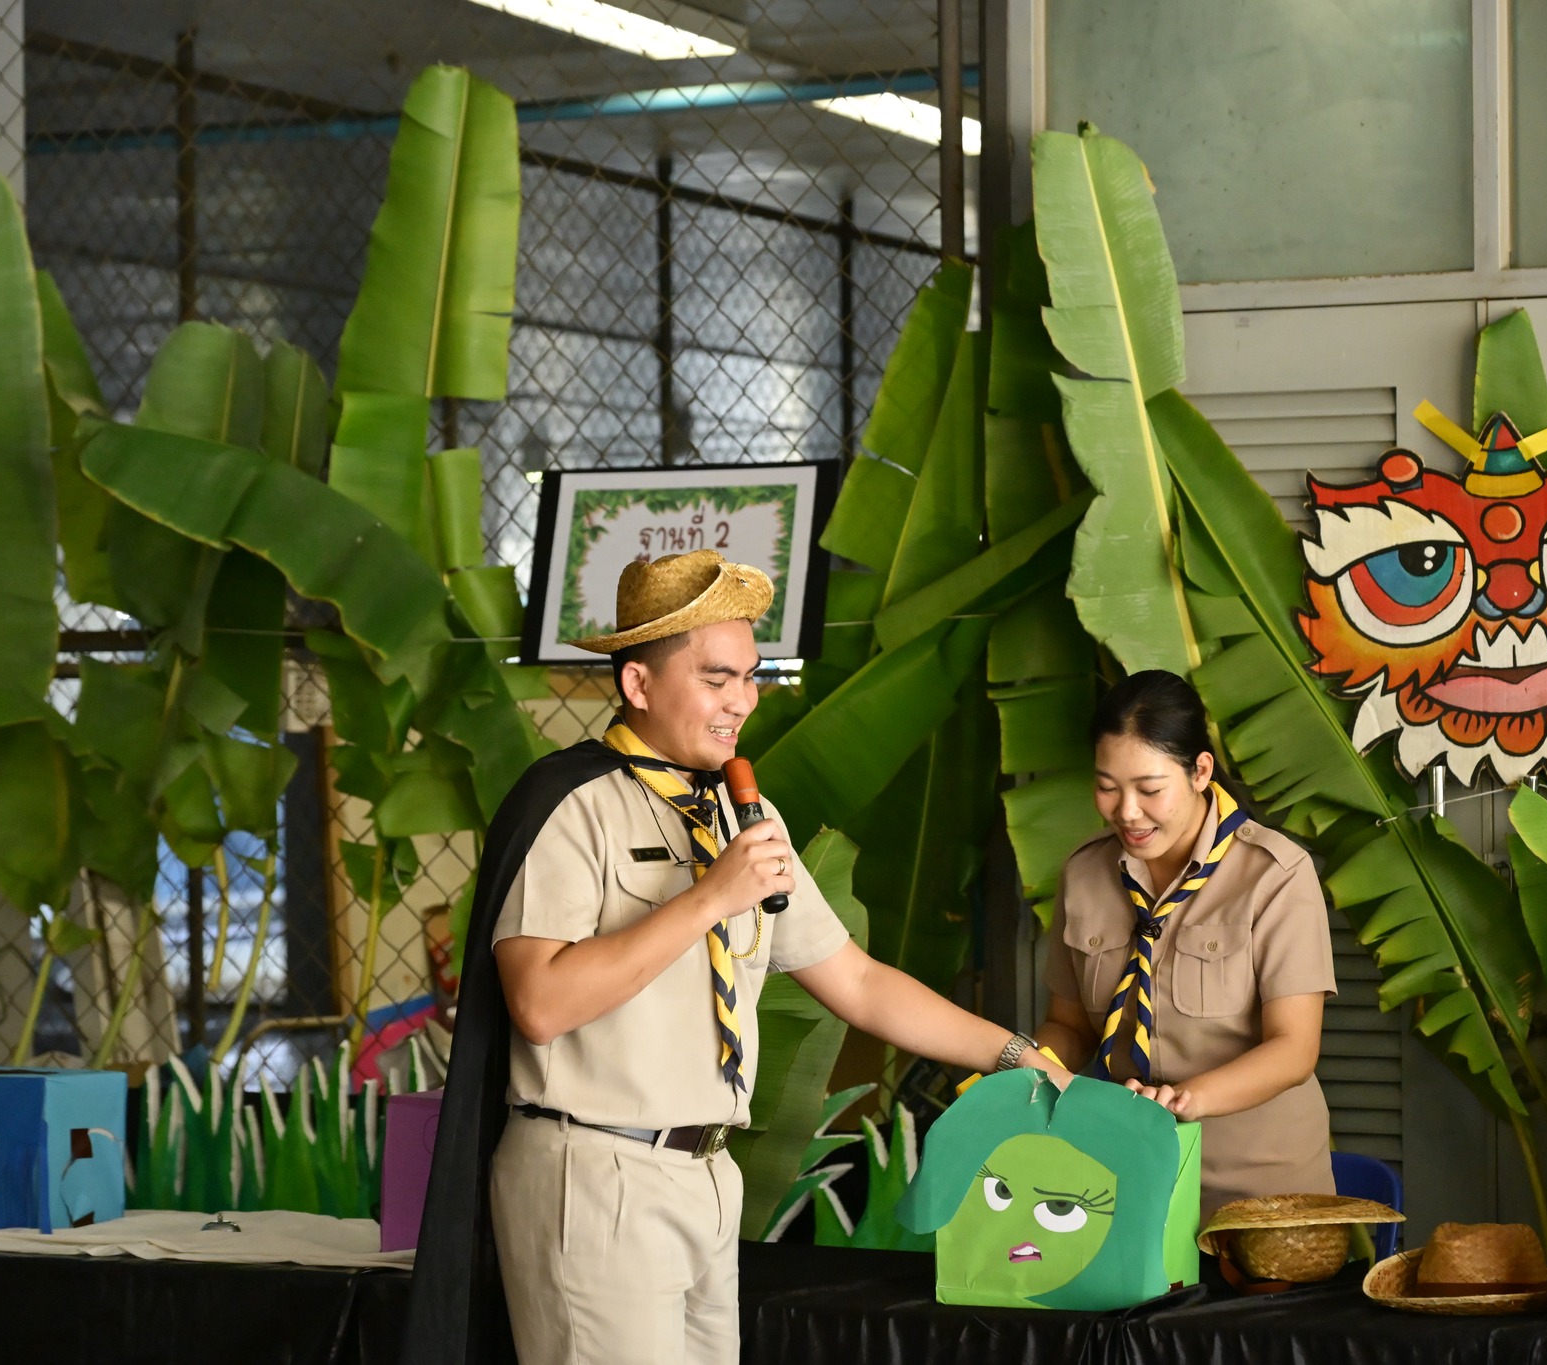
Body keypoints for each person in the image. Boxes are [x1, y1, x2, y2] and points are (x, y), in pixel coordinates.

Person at [402, 549, 1072, 1365]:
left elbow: (857, 980)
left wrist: (1014, 1053)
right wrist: (710, 896)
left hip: (709, 1174)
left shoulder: (742, 813)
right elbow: (540, 1004)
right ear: (638, 683)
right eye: (717, 679)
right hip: (597, 1171)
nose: (742, 701)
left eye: (751, 677)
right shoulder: (573, 804)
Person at [1032, 670, 1337, 1223]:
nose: (1127, 811)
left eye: (1150, 789)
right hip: (1119, 1177)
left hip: (1258, 1194)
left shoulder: (1275, 875)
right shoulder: (1083, 873)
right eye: (1107, 787)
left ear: (1200, 771)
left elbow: (1294, 1048)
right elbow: (1069, 1027)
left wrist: (1184, 1101)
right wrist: (1028, 1075)